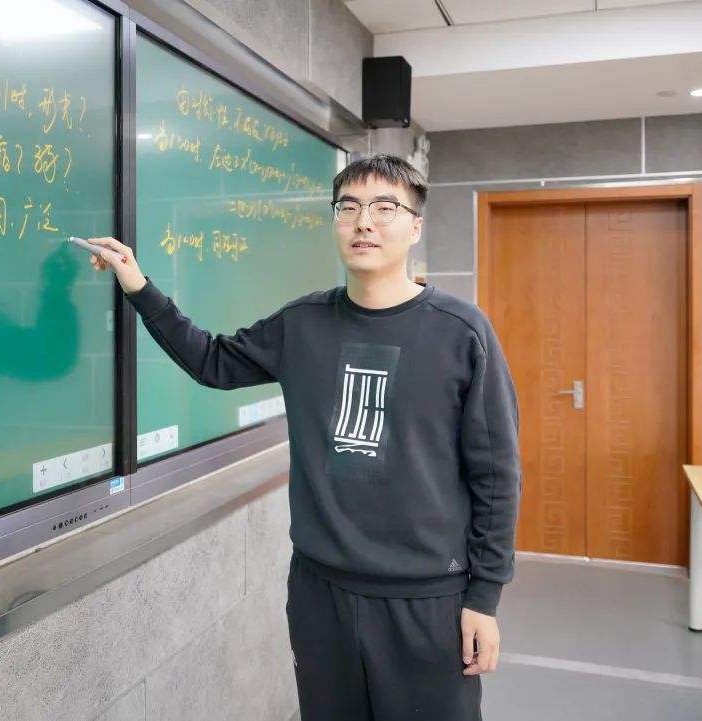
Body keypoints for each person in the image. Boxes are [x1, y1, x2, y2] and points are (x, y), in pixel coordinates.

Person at [89, 154, 521, 721]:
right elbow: (213, 362)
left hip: (426, 600)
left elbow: (496, 477)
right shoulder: (302, 323)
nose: (364, 222)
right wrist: (139, 286)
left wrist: (484, 597)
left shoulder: (461, 332)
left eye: (385, 208)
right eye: (348, 207)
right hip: (321, 593)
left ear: (415, 226)